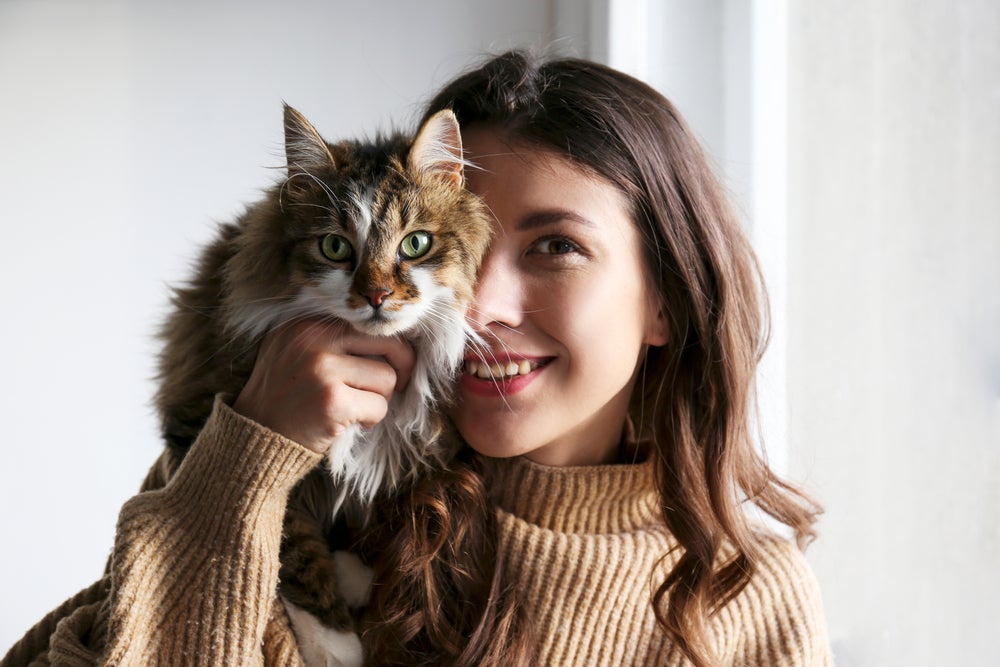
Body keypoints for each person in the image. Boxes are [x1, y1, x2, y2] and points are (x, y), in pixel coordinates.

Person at [3, 51, 832, 666]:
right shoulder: (290, 487)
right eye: (464, 250)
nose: (478, 303)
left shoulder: (749, 595)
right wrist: (247, 454)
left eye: (555, 246)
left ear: (665, 297)